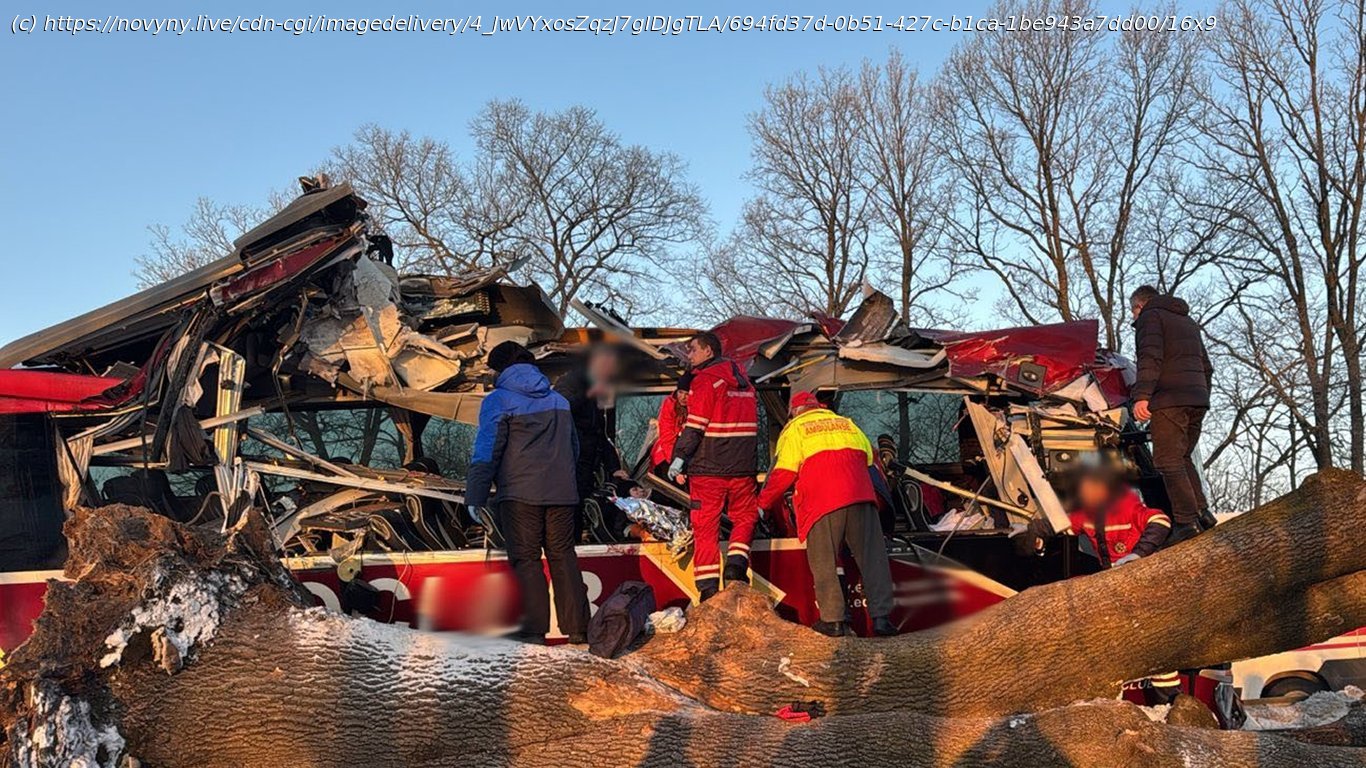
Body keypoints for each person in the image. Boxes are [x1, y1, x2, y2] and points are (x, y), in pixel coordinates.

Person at [465, 341, 589, 645]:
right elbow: (574, 448)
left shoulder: (498, 400)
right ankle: (578, 630)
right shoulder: (559, 401)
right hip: (562, 493)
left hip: (519, 494)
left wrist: (475, 494)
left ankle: (533, 633)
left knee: (526, 559)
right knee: (563, 556)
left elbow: (488, 450)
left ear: (500, 369)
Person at [757, 392, 898, 638]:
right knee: (873, 559)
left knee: (824, 561)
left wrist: (762, 504)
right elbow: (869, 460)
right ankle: (882, 619)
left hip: (823, 501)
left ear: (794, 412)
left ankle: (833, 621)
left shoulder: (795, 429)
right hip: (861, 496)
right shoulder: (848, 424)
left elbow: (784, 473)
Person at [667, 331, 759, 600]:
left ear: (709, 351)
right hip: (742, 468)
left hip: (708, 469)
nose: (689, 355)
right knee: (745, 516)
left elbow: (696, 426)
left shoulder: (705, 381)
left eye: (693, 350)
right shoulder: (746, 385)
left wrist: (679, 458)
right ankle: (736, 565)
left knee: (705, 528)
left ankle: (708, 590)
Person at [1129, 285, 1216, 544]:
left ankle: (1186, 523)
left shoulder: (1150, 317)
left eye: (1133, 311)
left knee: (1167, 461)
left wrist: (1142, 396)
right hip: (1197, 399)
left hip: (1169, 399)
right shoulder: (1187, 322)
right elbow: (1206, 367)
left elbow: (1150, 358)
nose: (1133, 317)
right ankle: (1203, 514)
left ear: (1140, 305)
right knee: (1183, 457)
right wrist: (1201, 394)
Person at [650, 372, 692, 478]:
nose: (683, 397)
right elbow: (667, 437)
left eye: (687, 394)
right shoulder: (670, 405)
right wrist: (675, 465)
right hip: (666, 456)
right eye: (680, 392)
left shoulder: (698, 408)